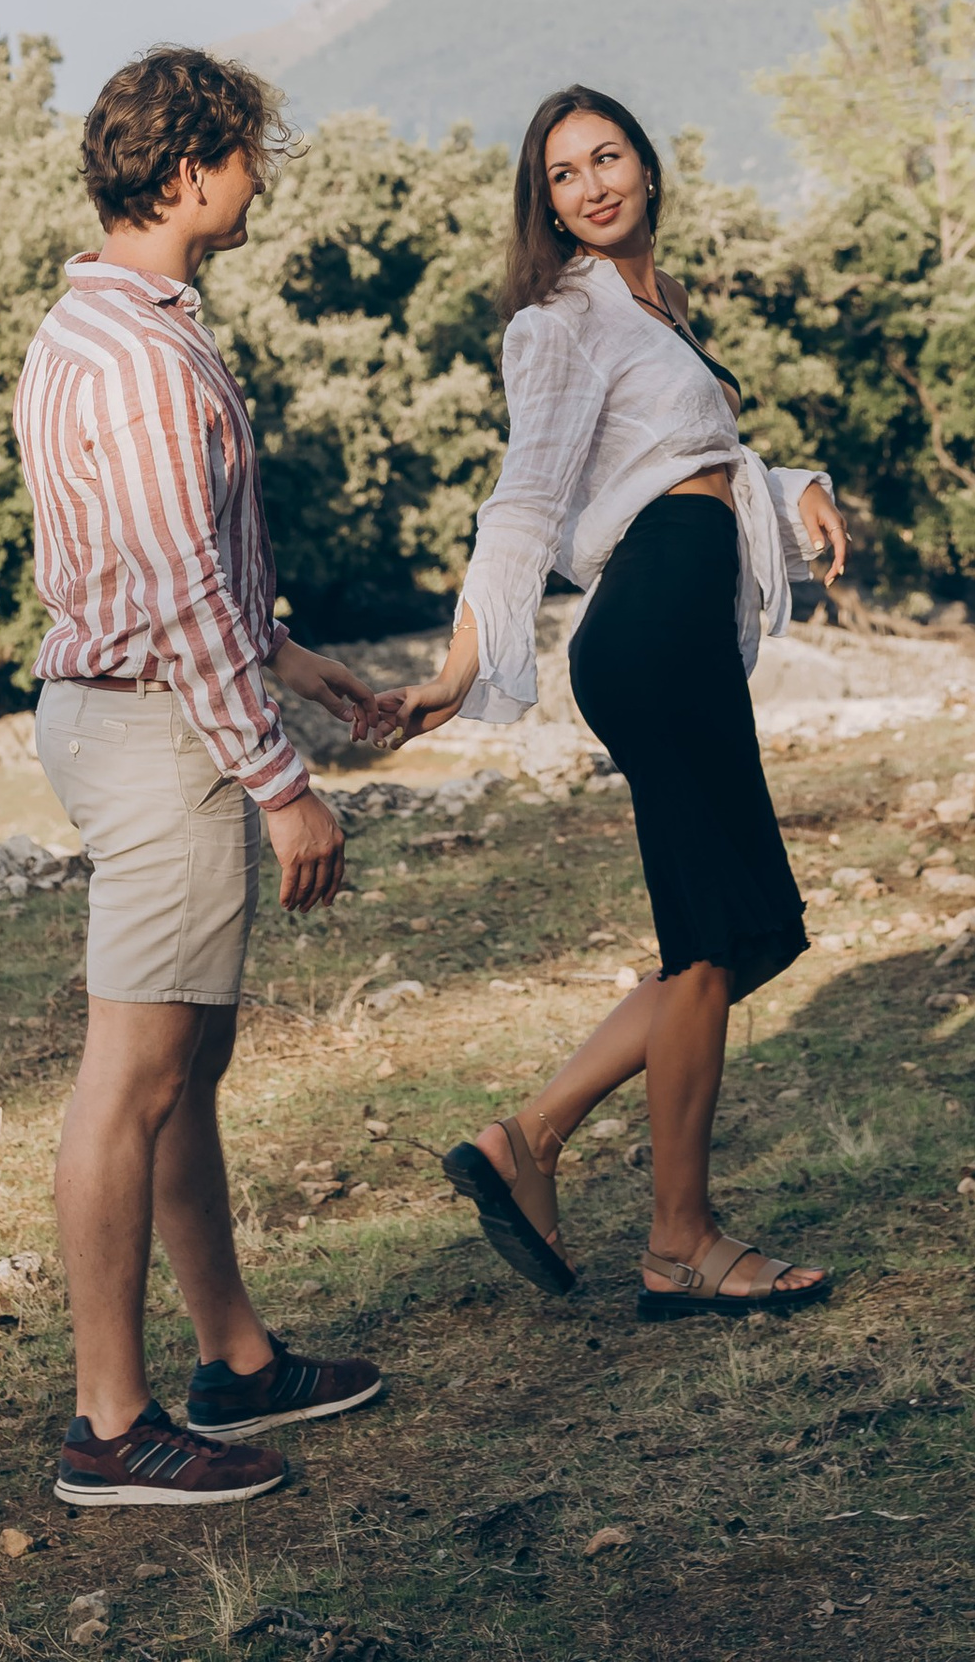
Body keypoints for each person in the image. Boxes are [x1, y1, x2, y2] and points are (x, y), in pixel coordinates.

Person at [380, 83, 850, 1316]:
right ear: (542, 207)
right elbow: (525, 502)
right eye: (561, 176)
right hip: (644, 627)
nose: (591, 185)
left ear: (647, 161)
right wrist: (462, 663)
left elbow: (688, 459)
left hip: (684, 618)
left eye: (607, 157)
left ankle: (529, 1140)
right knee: (708, 945)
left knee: (737, 934)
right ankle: (676, 1240)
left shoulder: (660, 306)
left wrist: (794, 482)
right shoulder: (560, 321)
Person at [14, 45, 392, 1507]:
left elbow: (165, 566)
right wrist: (281, 780)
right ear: (186, 173)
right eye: (244, 156)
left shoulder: (93, 328)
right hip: (158, 730)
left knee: (191, 1066)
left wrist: (294, 659)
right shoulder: (147, 358)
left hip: (135, 702)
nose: (259, 179)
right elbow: (171, 593)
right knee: (136, 1077)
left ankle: (233, 1355)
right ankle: (110, 1427)